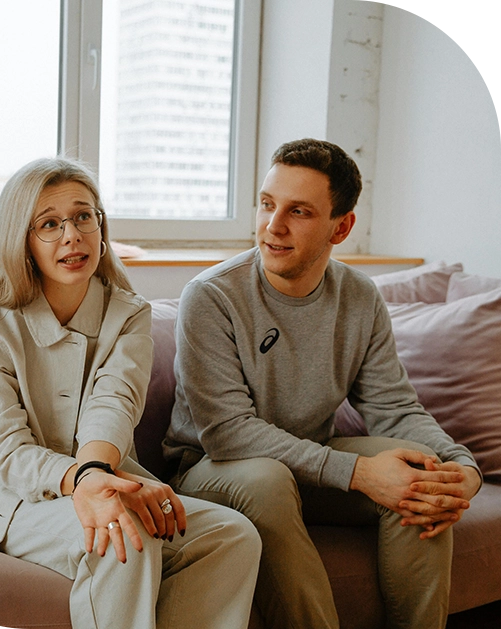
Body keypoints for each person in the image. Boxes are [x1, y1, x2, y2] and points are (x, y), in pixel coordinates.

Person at [163, 139, 482, 629]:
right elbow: (227, 433)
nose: (274, 226)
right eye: (267, 204)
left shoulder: (359, 296)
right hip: (212, 470)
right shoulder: (211, 295)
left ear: (342, 226)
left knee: (420, 473)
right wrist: (358, 473)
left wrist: (462, 468)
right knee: (267, 479)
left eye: (299, 211)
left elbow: (394, 407)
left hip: (310, 464)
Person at [0, 157, 261, 629]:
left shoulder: (129, 314)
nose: (72, 235)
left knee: (232, 535)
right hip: (3, 499)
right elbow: (7, 451)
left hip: (99, 475)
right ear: (23, 241)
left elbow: (114, 404)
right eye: (49, 224)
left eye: (83, 216)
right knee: (121, 531)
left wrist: (96, 476)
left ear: (101, 226)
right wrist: (88, 482)